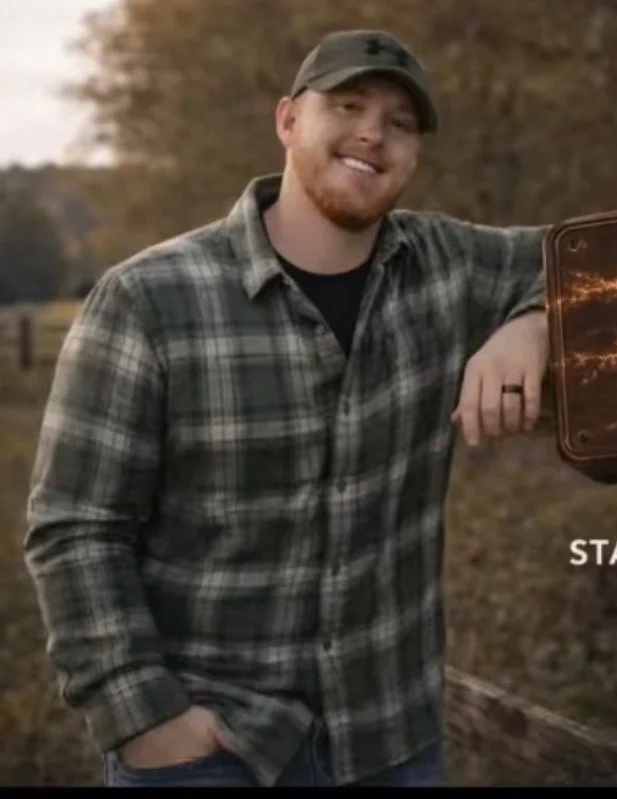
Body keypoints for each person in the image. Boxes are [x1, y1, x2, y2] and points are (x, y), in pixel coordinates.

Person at [24, 29, 550, 787]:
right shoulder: (148, 298)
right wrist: (143, 717)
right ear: (287, 121)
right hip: (211, 751)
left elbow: (596, 261)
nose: (373, 131)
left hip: (391, 740)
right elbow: (76, 528)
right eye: (347, 105)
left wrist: (530, 322)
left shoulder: (449, 267)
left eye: (401, 123)